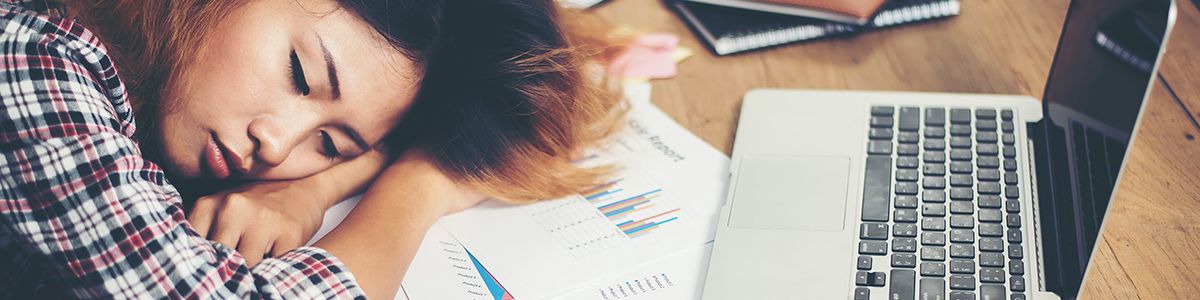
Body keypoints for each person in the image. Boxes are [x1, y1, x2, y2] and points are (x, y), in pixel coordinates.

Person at [0, 0, 622, 298]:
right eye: (299, 72)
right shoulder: (30, 55)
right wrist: (423, 182)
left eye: (328, 143)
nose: (275, 145)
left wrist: (310, 188)